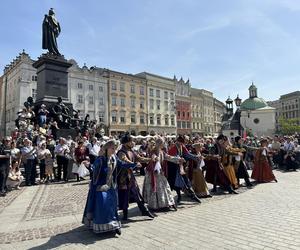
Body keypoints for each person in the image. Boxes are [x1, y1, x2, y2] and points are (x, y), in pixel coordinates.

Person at [82, 140, 139, 235]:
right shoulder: (100, 159)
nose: (114, 150)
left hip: (111, 186)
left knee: (112, 207)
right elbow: (94, 168)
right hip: (100, 186)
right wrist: (88, 166)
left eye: (115, 148)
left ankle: (115, 225)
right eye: (112, 148)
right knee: (103, 205)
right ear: (106, 148)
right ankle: (102, 225)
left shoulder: (114, 158)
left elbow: (122, 164)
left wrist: (134, 164)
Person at [117, 133, 154, 220]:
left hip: (131, 177)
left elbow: (139, 158)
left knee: (137, 194)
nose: (132, 142)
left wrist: (150, 159)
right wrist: (134, 164)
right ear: (126, 142)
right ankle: (125, 214)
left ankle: (144, 211)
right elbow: (125, 161)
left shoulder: (131, 150)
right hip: (123, 178)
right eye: (131, 141)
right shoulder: (121, 152)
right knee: (125, 196)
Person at [143, 137, 182, 210]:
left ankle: (164, 203)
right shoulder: (153, 151)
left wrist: (178, 159)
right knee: (155, 188)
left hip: (159, 172)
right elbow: (152, 157)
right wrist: (154, 158)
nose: (164, 144)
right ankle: (155, 205)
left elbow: (168, 157)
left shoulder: (162, 152)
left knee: (164, 187)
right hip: (152, 173)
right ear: (160, 144)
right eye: (163, 143)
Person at [167, 135, 202, 204]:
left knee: (186, 181)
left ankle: (193, 195)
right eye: (180, 142)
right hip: (174, 168)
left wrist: (196, 157)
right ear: (177, 141)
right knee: (176, 183)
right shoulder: (173, 148)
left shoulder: (182, 146)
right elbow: (172, 158)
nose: (181, 144)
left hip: (180, 167)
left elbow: (188, 154)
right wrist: (178, 159)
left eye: (182, 143)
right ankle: (179, 196)